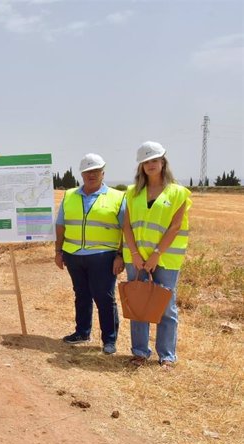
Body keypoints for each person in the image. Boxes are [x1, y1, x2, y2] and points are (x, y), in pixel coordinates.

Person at [122, 141, 191, 371]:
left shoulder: (178, 192)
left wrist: (155, 255)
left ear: (163, 162)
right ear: (141, 166)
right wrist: (135, 254)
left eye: (154, 160)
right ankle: (140, 352)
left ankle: (167, 355)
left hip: (166, 259)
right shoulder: (132, 193)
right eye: (146, 162)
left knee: (166, 307)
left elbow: (175, 227)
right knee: (139, 304)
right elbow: (127, 226)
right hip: (137, 258)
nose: (150, 165)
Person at [55, 153, 126, 355]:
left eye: (95, 171)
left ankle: (109, 340)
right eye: (87, 171)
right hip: (73, 254)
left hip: (103, 256)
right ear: (82, 174)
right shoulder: (69, 196)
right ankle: (82, 332)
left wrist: (121, 255)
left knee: (104, 297)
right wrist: (58, 251)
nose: (91, 174)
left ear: (103, 172)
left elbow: (126, 230)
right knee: (82, 295)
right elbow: (60, 225)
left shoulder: (117, 197)